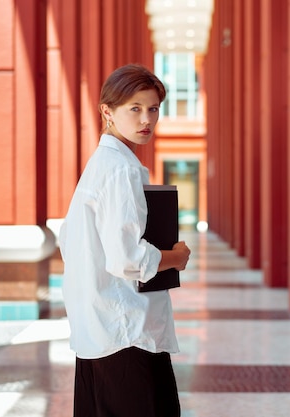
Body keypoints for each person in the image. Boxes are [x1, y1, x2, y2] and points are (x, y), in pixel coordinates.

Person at [58, 63, 191, 417]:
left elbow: (67, 239)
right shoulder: (121, 169)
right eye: (134, 108)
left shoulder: (100, 164)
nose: (146, 119)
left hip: (98, 329)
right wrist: (175, 257)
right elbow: (127, 259)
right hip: (126, 333)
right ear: (107, 111)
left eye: (153, 109)